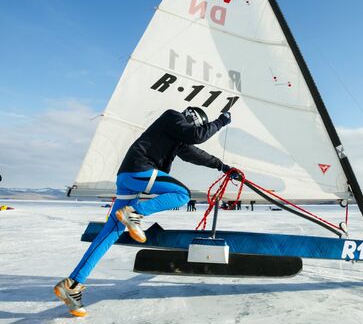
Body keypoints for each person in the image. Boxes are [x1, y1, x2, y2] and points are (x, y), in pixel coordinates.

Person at [54, 107, 235, 317]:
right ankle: (135, 213)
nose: (197, 129)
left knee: (109, 233)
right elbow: (196, 136)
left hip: (129, 179)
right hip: (139, 170)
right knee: (182, 194)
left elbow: (196, 154)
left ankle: (73, 284)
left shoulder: (177, 137)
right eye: (198, 125)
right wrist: (222, 121)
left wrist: (223, 167)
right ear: (193, 119)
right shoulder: (172, 116)